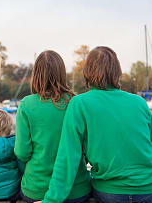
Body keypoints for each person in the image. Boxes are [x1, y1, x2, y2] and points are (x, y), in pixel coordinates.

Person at [41, 46, 152, 203]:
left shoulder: (79, 103)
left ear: (87, 72)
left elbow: (67, 158)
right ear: (117, 71)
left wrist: (51, 200)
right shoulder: (139, 102)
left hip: (112, 192)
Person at [15, 50, 91, 203]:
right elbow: (88, 151)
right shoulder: (75, 102)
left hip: (36, 190)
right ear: (62, 73)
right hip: (77, 190)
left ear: (36, 74)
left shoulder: (26, 105)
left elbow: (22, 152)